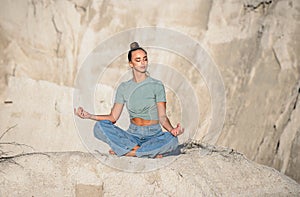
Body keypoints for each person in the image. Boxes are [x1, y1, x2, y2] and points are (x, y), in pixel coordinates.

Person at [74, 42, 184, 158]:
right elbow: (113, 117)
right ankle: (146, 152)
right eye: (138, 60)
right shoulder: (124, 87)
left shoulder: (156, 85)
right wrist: (89, 116)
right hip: (132, 135)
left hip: (154, 135)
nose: (142, 63)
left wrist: (172, 130)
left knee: (172, 140)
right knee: (99, 127)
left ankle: (130, 152)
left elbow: (162, 117)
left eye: (145, 59)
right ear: (131, 64)